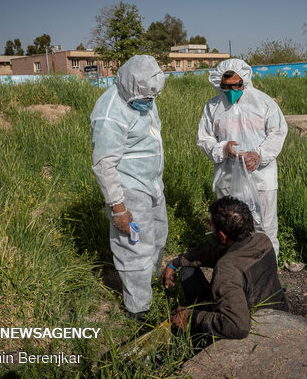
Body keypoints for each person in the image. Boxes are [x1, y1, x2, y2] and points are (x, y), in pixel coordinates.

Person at [90, 55, 168, 320]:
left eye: (152, 97)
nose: (149, 102)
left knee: (158, 237)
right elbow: (104, 165)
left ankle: (152, 285)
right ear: (128, 86)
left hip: (152, 183)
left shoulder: (144, 96)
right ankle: (139, 308)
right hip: (130, 188)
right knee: (135, 249)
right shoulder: (111, 112)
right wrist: (119, 208)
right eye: (145, 97)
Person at [161, 196, 288, 339]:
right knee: (187, 270)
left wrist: (192, 317)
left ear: (222, 235)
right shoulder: (262, 241)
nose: (209, 227)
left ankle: (197, 339)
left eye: (211, 225)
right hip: (278, 307)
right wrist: (176, 262)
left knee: (191, 290)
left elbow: (238, 327)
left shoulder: (226, 270)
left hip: (255, 326)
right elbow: (215, 253)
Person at [197, 59, 288, 257]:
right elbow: (204, 138)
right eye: (226, 86)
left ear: (244, 81)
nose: (231, 90)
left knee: (264, 227)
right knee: (230, 228)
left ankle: (267, 269)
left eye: (236, 85)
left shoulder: (263, 103)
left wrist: (259, 155)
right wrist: (223, 149)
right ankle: (234, 268)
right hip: (228, 177)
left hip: (261, 177)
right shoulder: (213, 107)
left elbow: (278, 132)